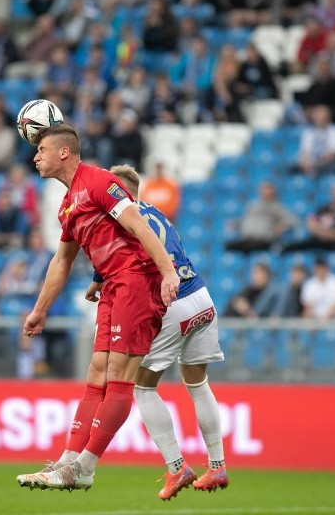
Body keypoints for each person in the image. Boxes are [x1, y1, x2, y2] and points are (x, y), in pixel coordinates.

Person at [16, 125, 180, 491]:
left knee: (119, 374)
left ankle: (85, 466)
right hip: (112, 286)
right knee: (97, 372)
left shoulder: (101, 182)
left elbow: (137, 223)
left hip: (136, 280)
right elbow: (61, 262)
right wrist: (40, 309)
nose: (35, 156)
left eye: (41, 149)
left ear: (64, 152)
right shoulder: (66, 205)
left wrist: (167, 271)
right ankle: (67, 461)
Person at [82, 165, 227, 499]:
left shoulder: (121, 216)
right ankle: (217, 464)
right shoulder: (156, 211)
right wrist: (98, 281)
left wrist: (97, 280)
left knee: (141, 387)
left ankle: (177, 467)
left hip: (171, 301)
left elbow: (119, 254)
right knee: (198, 382)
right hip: (201, 297)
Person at [225, 182, 299, 253]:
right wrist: (236, 224)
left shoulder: (277, 207)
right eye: (263, 188)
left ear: (273, 190)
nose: (265, 191)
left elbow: (294, 221)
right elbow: (244, 220)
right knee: (229, 246)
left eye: (268, 188)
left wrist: (282, 225)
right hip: (246, 239)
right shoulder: (252, 205)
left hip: (263, 241)